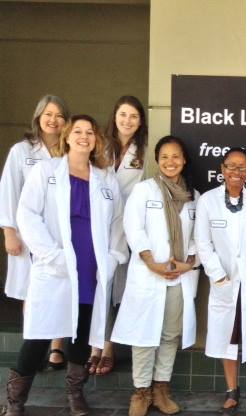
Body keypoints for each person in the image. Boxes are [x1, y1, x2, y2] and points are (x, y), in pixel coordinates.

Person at [3, 115, 127, 416]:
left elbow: (117, 226)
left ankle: (75, 393)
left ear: (97, 140)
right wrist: (51, 255)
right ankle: (15, 404)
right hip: (55, 265)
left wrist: (111, 259)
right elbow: (27, 214)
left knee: (81, 331)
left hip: (91, 267)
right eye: (78, 132)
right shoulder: (46, 172)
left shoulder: (106, 178)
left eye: (90, 132)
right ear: (67, 136)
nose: (84, 137)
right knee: (38, 334)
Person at [111, 135, 199, 416]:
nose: (170, 162)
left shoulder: (194, 197)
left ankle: (162, 390)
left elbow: (199, 237)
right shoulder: (144, 191)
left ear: (184, 160)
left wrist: (188, 264)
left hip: (178, 277)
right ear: (157, 161)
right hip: (149, 275)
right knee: (144, 335)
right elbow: (133, 228)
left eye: (176, 157)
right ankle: (141, 391)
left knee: (169, 335)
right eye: (164, 157)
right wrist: (151, 261)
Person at [194, 147, 246, 416]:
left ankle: (238, 386)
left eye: (242, 168)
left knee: (245, 331)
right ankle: (232, 390)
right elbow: (203, 244)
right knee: (227, 336)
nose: (236, 173)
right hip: (225, 281)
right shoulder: (208, 201)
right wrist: (218, 275)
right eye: (231, 167)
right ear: (222, 169)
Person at [0, 95, 70, 370]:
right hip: (28, 237)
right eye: (48, 114)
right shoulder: (21, 151)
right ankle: (33, 347)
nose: (53, 120)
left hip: (61, 235)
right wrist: (9, 232)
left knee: (61, 291)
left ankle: (56, 348)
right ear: (38, 117)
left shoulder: (68, 152)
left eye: (59, 115)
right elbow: (9, 192)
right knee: (33, 292)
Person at [88, 95, 148, 376]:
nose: (127, 121)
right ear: (114, 117)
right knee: (98, 285)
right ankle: (93, 348)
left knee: (117, 290)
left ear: (140, 122)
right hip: (98, 224)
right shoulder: (99, 147)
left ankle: (108, 347)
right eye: (123, 115)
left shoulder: (144, 152)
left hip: (126, 227)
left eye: (134, 116)